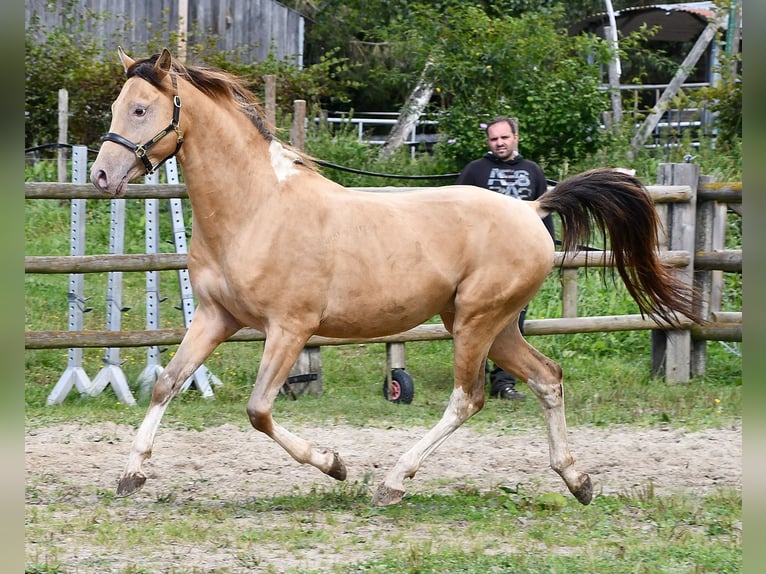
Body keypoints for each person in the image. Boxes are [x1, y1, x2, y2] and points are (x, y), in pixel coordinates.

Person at [456, 116, 555, 400]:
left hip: (517, 264)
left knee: (512, 324)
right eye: (493, 139)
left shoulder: (533, 171)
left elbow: (542, 215)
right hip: (480, 264)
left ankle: (504, 383)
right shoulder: (475, 172)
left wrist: (547, 253)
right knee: (475, 322)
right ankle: (473, 380)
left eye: (504, 137)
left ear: (515, 137)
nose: (499, 143)